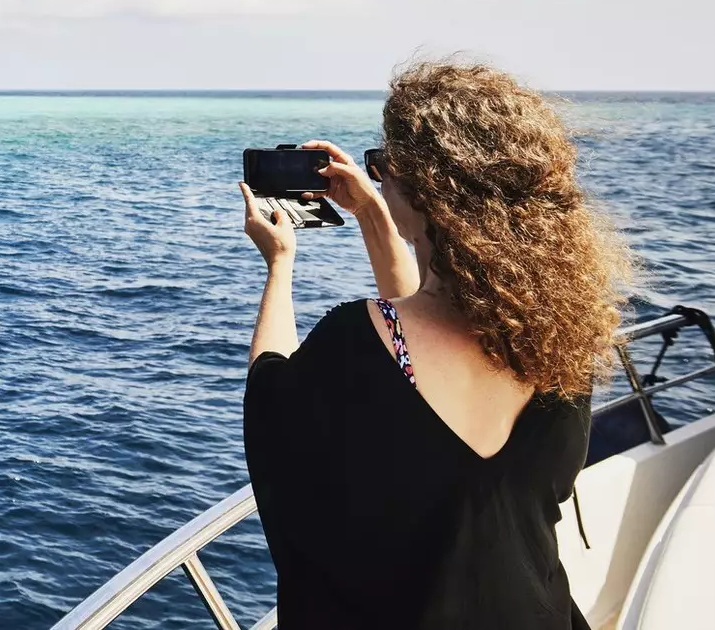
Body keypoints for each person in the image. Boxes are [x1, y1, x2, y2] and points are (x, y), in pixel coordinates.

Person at [238, 60, 631, 630]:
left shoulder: (353, 343)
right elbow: (419, 325)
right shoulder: (557, 343)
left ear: (429, 194)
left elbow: (270, 392)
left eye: (384, 167)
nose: (379, 178)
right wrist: (374, 210)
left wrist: (280, 264)